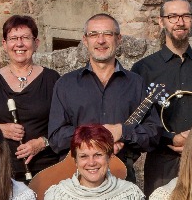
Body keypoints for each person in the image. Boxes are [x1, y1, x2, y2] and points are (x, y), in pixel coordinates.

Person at [49, 13, 162, 185]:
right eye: (93, 34)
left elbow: (153, 134)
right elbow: (56, 138)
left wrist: (122, 132)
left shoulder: (136, 83)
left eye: (107, 34)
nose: (100, 40)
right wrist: (99, 138)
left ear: (119, 39)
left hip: (121, 178)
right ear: (85, 40)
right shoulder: (65, 84)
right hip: (75, 180)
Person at [132, 0, 192, 194]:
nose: (180, 22)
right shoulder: (143, 69)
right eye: (173, 16)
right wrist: (170, 139)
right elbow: (139, 121)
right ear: (161, 22)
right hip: (162, 163)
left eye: (185, 16)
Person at [0, 15, 61, 181]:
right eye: (13, 38)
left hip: (44, 170)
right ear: (4, 44)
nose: (19, 44)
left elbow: (65, 125)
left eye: (25, 38)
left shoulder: (52, 79)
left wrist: (41, 143)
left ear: (36, 43)